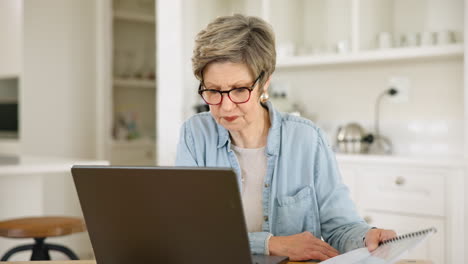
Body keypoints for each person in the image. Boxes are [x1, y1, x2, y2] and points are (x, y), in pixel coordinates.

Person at [175, 14, 396, 261]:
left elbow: (341, 228)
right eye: (213, 91)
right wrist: (271, 244)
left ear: (265, 83)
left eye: (239, 90)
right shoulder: (195, 135)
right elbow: (189, 231)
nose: (226, 107)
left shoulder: (307, 139)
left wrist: (368, 237)